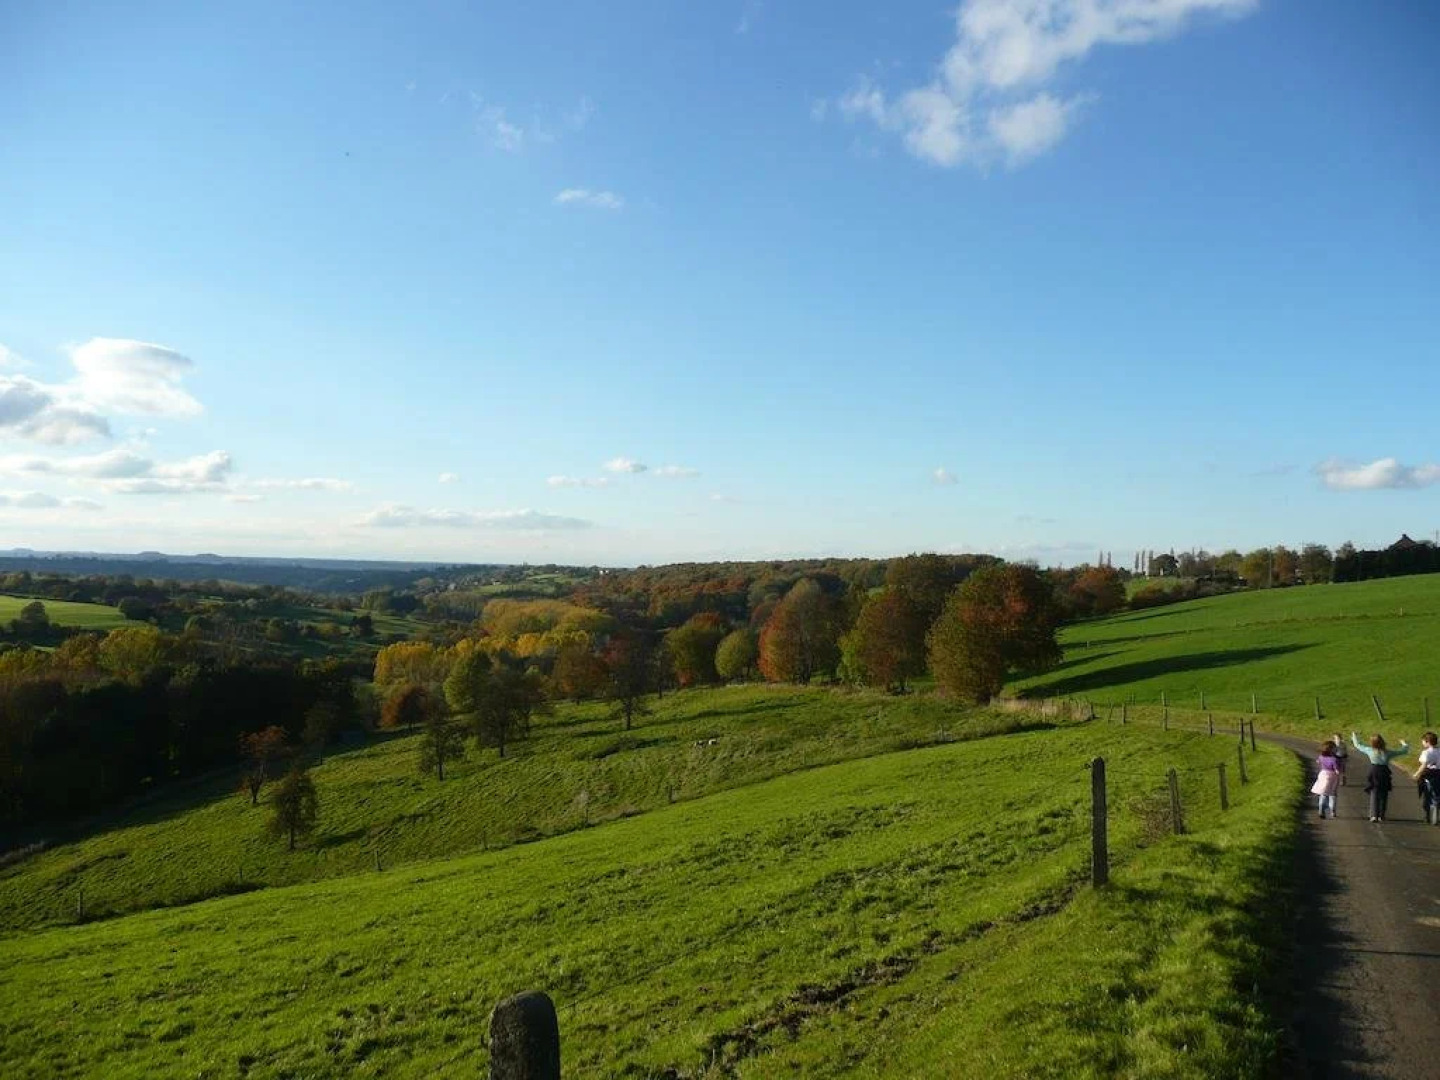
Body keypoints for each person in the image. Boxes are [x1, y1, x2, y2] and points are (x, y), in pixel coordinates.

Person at [1351, 732, 1409, 822]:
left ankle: (1374, 815)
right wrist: (1404, 744)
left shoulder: (1370, 750)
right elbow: (1402, 751)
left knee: (1374, 793)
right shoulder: (1387, 752)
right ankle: (1381, 815)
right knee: (1383, 794)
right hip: (1384, 773)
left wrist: (1354, 736)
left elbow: (1358, 745)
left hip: (1374, 772)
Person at [1411, 731, 1440, 825]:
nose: (1422, 743)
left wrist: (1417, 774)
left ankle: (1427, 816)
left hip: (1429, 775)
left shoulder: (1426, 752)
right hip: (1439, 774)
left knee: (1427, 796)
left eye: (1423, 741)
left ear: (1427, 742)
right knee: (1436, 796)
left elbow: (1423, 765)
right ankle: (1435, 816)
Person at [1311, 741, 1342, 818]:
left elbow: (1318, 761)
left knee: (1323, 793)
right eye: (1335, 748)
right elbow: (1337, 770)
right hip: (1332, 776)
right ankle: (1332, 811)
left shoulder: (1321, 757)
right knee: (1332, 794)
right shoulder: (1333, 759)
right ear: (1331, 750)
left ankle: (1321, 809)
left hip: (1323, 774)